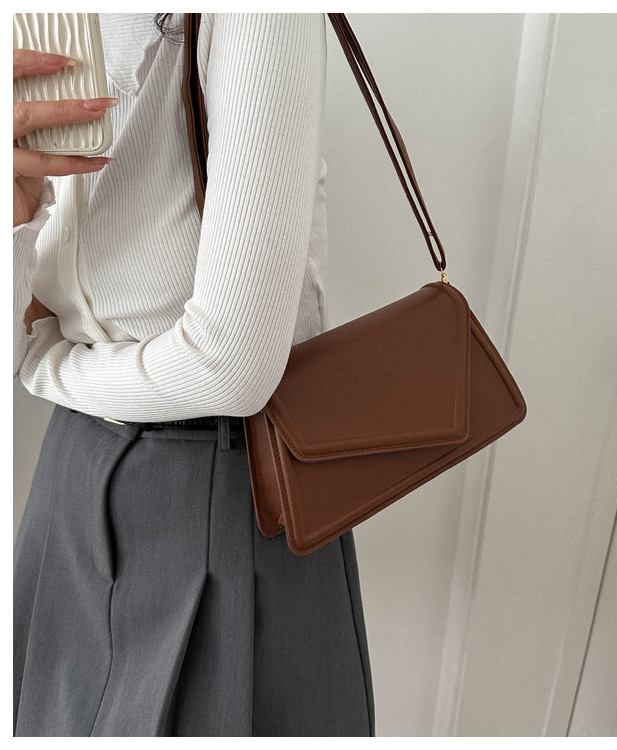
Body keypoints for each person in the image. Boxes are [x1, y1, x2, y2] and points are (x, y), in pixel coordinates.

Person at [13, 13, 374, 737]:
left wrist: (45, 364)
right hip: (71, 475)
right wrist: (15, 217)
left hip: (232, 477)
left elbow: (231, 370)